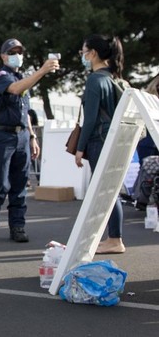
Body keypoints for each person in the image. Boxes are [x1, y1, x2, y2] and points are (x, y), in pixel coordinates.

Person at [0, 38, 59, 243]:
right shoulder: (0, 75)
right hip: (2, 136)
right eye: (12, 51)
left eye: (20, 51)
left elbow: (25, 112)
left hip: (21, 135)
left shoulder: (21, 78)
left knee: (20, 185)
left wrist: (32, 136)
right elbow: (14, 89)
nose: (17, 55)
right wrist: (42, 71)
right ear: (3, 56)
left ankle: (18, 227)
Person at [74, 34, 127, 254]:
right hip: (114, 140)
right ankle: (114, 237)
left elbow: (91, 119)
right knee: (111, 190)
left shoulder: (95, 80)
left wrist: (79, 148)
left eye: (83, 52)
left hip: (99, 141)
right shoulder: (114, 78)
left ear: (93, 53)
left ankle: (114, 239)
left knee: (105, 191)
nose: (82, 56)